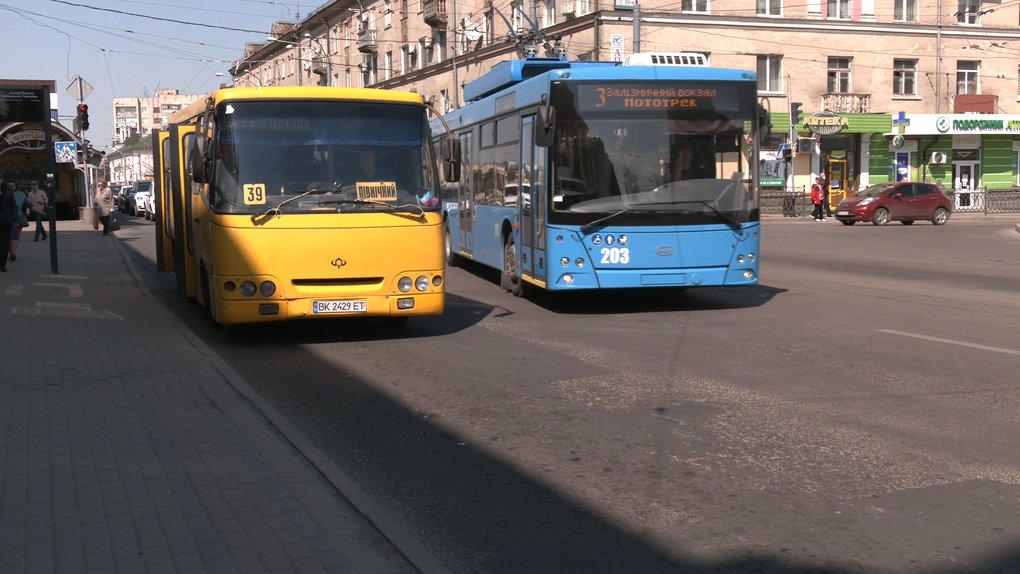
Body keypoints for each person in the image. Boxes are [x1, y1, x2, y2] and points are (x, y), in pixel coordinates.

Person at [0, 179, 16, 272]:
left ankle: (2, 265)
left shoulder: (8, 189)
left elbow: (11, 204)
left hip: (5, 221)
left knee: (4, 244)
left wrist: (12, 218)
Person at [9, 183, 27, 262]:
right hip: (5, 220)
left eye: (13, 185)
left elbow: (28, 204)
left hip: (17, 220)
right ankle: (10, 253)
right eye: (9, 186)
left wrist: (39, 211)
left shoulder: (21, 195)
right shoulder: (3, 195)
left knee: (14, 237)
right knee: (8, 239)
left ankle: (13, 254)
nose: (12, 187)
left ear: (16, 186)